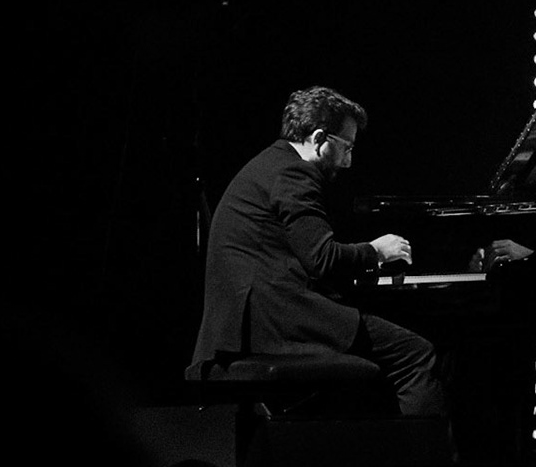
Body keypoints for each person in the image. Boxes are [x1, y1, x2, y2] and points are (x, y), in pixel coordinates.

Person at [189, 85, 446, 418]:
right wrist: (376, 251)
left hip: (245, 328)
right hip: (277, 322)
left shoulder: (269, 165)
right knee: (416, 354)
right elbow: (322, 259)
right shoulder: (295, 172)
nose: (349, 161)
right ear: (320, 138)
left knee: (376, 361)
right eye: (347, 147)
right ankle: (419, 452)